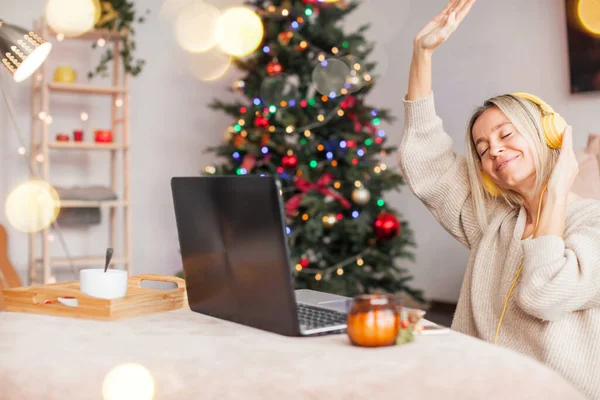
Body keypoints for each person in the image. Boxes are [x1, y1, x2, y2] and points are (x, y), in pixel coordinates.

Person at [397, 0, 600, 398]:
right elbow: (427, 160)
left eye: (507, 135)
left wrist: (557, 189)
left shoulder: (593, 224)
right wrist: (422, 54)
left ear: (550, 134)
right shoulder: (494, 221)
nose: (494, 150)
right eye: (483, 146)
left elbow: (543, 293)